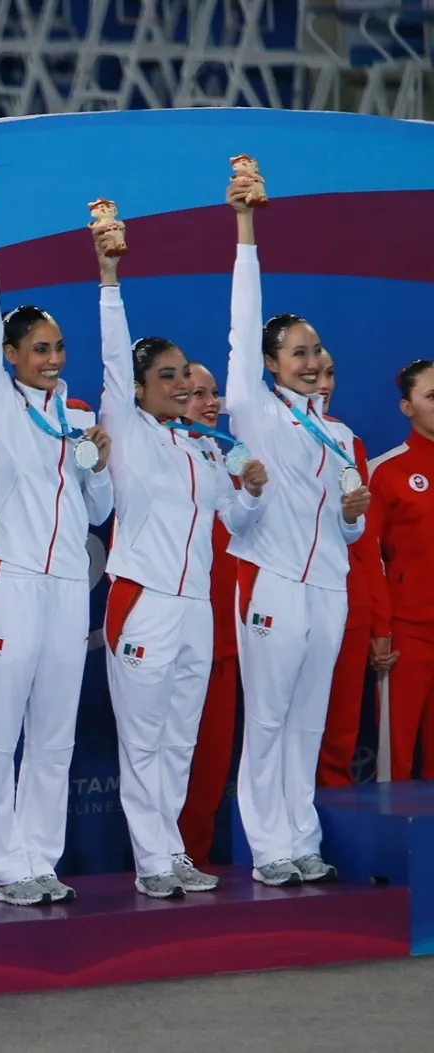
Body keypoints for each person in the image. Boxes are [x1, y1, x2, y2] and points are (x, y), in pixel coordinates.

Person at [92, 221, 268, 898]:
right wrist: (109, 276)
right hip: (144, 601)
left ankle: (171, 852)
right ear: (135, 388)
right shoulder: (130, 431)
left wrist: (249, 489)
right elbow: (114, 350)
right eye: (163, 375)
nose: (176, 383)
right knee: (142, 742)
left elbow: (239, 522)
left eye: (181, 374)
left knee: (179, 740)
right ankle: (153, 861)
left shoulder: (200, 450)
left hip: (197, 607)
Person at [0, 175, 113, 906]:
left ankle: (40, 858)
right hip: (10, 578)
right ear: (10, 355)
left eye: (58, 346)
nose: (53, 357)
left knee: (54, 732)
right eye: (39, 348)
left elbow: (97, 506)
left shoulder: (78, 416)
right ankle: (2, 863)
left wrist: (100, 470)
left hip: (64, 588)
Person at [224, 171, 370, 887]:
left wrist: (349, 518)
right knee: (271, 719)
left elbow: (346, 533)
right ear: (270, 365)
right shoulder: (257, 412)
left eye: (318, 352)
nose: (313, 362)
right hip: (274, 582)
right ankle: (267, 846)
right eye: (299, 353)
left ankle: (302, 836)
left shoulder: (339, 430)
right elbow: (243, 316)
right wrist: (247, 228)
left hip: (328, 589)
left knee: (309, 723)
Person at [314, 351, 394, 786]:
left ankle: (334, 830)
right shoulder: (265, 435)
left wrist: (376, 618)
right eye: (314, 372)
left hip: (350, 601)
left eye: (331, 373)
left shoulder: (348, 441)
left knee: (342, 729)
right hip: (295, 599)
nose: (323, 383)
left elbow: (366, 542)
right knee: (292, 723)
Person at [177, 363, 242, 862]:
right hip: (172, 635)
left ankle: (194, 861)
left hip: (224, 642)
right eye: (198, 394)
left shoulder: (223, 461)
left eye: (214, 392)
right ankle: (160, 862)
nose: (211, 402)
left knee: (212, 767)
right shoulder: (150, 460)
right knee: (166, 759)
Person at [367, 360, 434, 780]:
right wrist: (382, 630)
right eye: (432, 396)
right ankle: (390, 845)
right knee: (396, 758)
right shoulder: (386, 472)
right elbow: (370, 560)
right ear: (407, 408)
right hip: (407, 636)